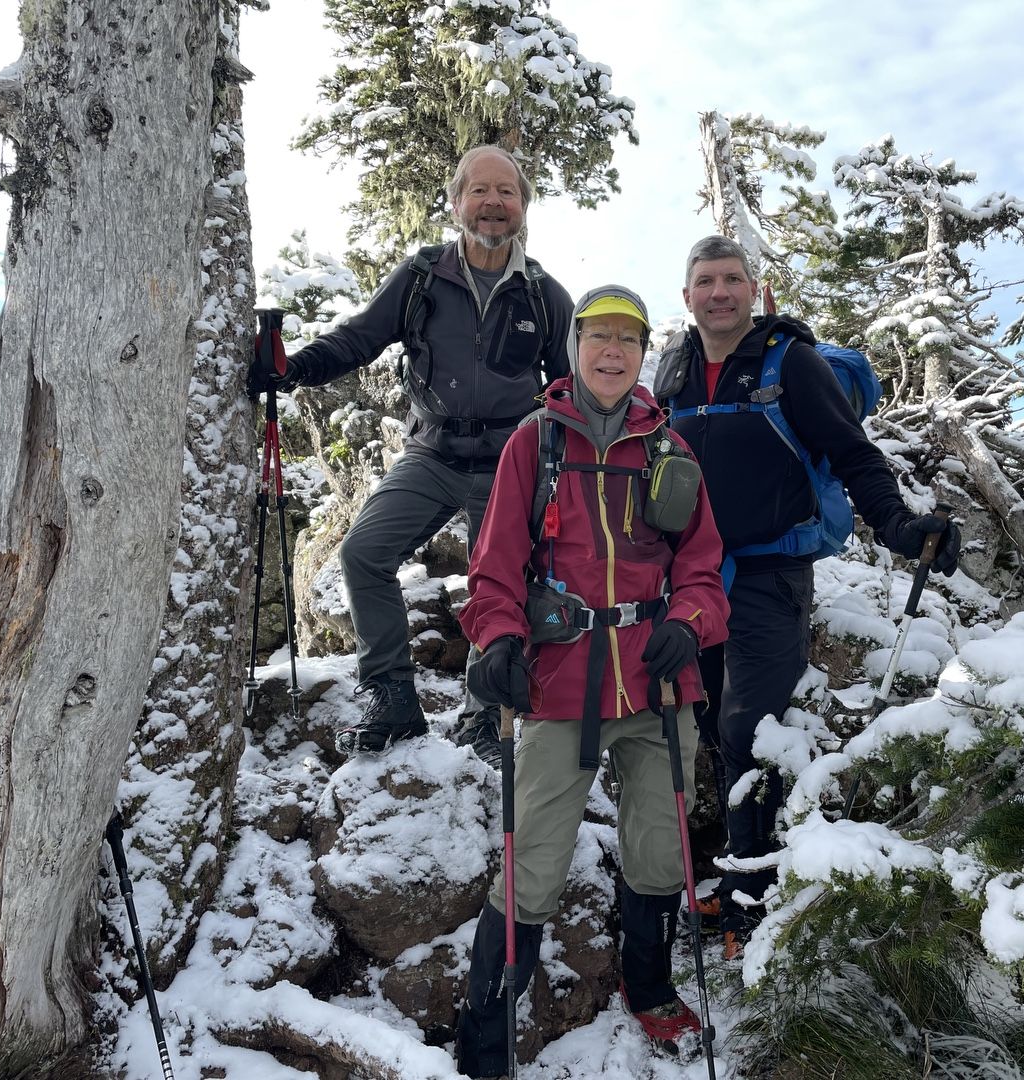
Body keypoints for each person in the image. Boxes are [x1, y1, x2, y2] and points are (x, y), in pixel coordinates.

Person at [653, 235, 961, 958]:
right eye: (705, 281)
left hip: (768, 578)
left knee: (747, 730)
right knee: (712, 727)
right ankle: (742, 868)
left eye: (732, 279)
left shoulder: (790, 361)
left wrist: (898, 524)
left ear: (755, 291)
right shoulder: (674, 371)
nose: (718, 292)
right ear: (688, 294)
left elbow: (853, 454)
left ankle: (750, 898)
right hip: (693, 583)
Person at [453, 285, 731, 1077]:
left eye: (629, 340)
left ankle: (649, 988)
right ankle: (485, 1039)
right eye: (599, 336)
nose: (613, 352)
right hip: (558, 683)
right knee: (531, 864)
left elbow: (703, 569)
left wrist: (688, 623)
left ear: (644, 355)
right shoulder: (533, 444)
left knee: (658, 853)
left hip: (657, 684)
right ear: (574, 347)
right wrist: (499, 638)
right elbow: (493, 570)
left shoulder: (669, 452)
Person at [247, 145, 573, 767]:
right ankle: (392, 693)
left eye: (507, 193)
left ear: (524, 208)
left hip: (509, 459)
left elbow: (565, 388)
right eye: (480, 190)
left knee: (497, 580)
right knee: (364, 552)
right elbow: (361, 339)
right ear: (456, 204)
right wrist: (292, 370)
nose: (494, 203)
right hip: (432, 452)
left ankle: (483, 715)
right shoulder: (422, 277)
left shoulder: (544, 296)